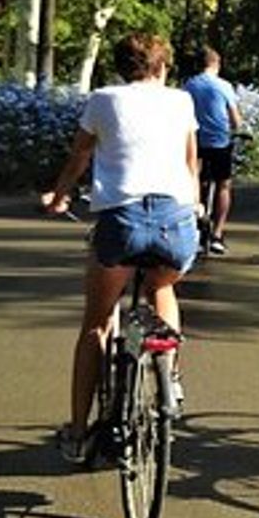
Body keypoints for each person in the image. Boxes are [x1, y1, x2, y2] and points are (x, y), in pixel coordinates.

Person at [41, 32, 200, 467]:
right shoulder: (181, 101)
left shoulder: (103, 99)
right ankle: (171, 374)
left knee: (97, 323)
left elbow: (78, 158)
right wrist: (195, 204)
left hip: (122, 223)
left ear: (121, 67)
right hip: (176, 221)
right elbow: (190, 162)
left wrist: (58, 198)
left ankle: (78, 434)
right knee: (161, 287)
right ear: (162, 67)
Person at [184, 46, 245, 255]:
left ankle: (195, 229)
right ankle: (217, 234)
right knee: (223, 185)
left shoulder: (188, 85)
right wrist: (237, 128)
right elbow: (235, 119)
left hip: (195, 142)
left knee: (195, 182)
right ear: (216, 64)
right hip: (219, 142)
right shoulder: (224, 86)